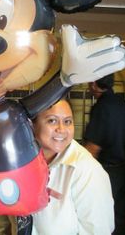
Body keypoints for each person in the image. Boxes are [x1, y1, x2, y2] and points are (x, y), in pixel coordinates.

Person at [32, 98, 114, 235]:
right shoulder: (21, 161)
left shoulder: (87, 171)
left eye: (67, 122)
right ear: (32, 125)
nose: (61, 129)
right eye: (52, 120)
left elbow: (98, 231)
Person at [83, 74, 125, 235]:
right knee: (121, 214)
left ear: (93, 84)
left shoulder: (101, 107)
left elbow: (92, 149)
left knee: (103, 214)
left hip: (107, 172)